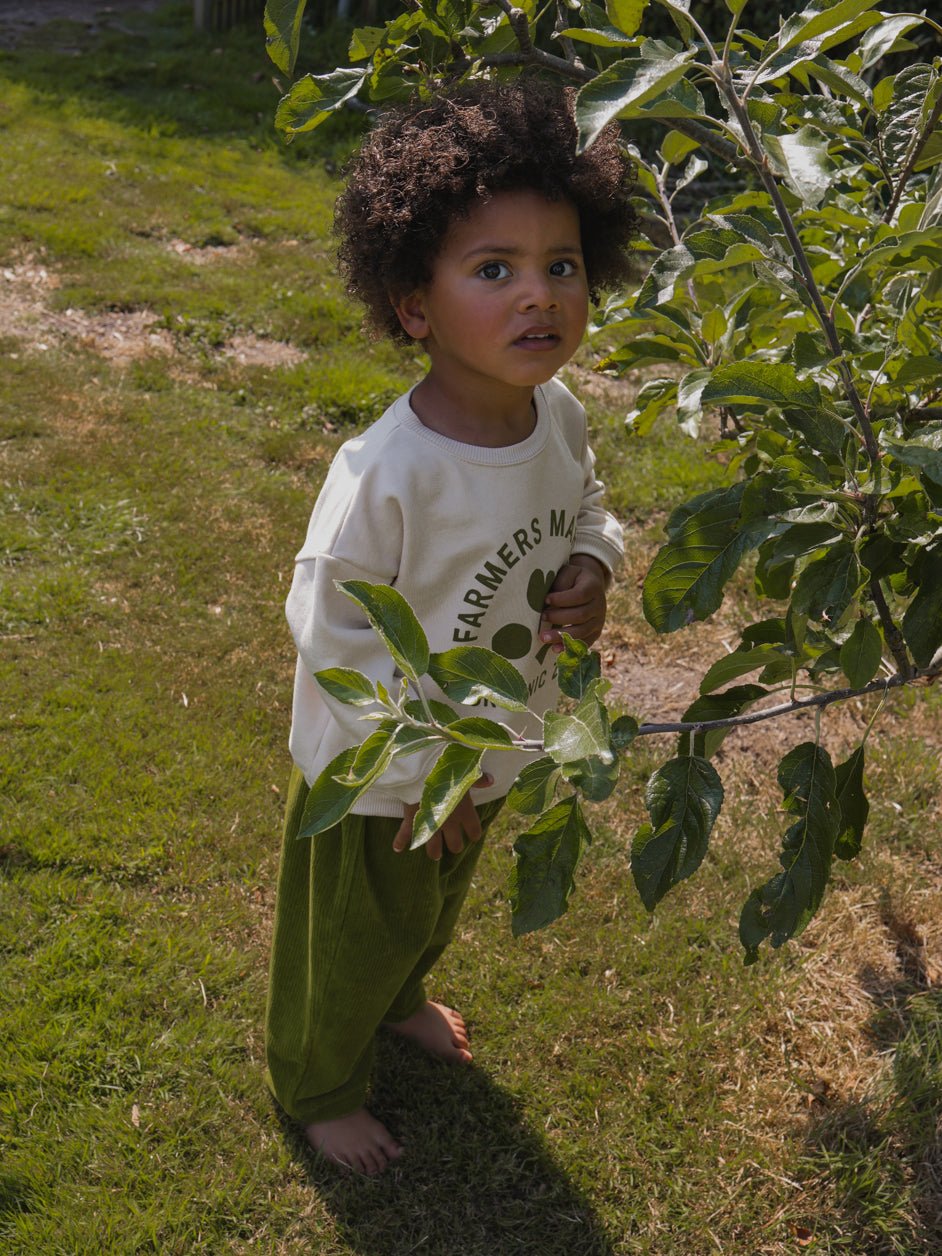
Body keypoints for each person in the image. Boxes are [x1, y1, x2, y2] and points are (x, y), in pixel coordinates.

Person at [265, 80, 638, 1175]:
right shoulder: (390, 474)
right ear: (414, 304)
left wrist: (593, 562)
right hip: (378, 773)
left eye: (560, 265)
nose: (540, 296)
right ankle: (317, 1078)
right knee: (351, 931)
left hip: (489, 746)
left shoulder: (557, 415)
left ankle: (403, 995)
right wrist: (425, 775)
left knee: (429, 911)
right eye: (494, 269)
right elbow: (335, 639)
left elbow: (588, 502)